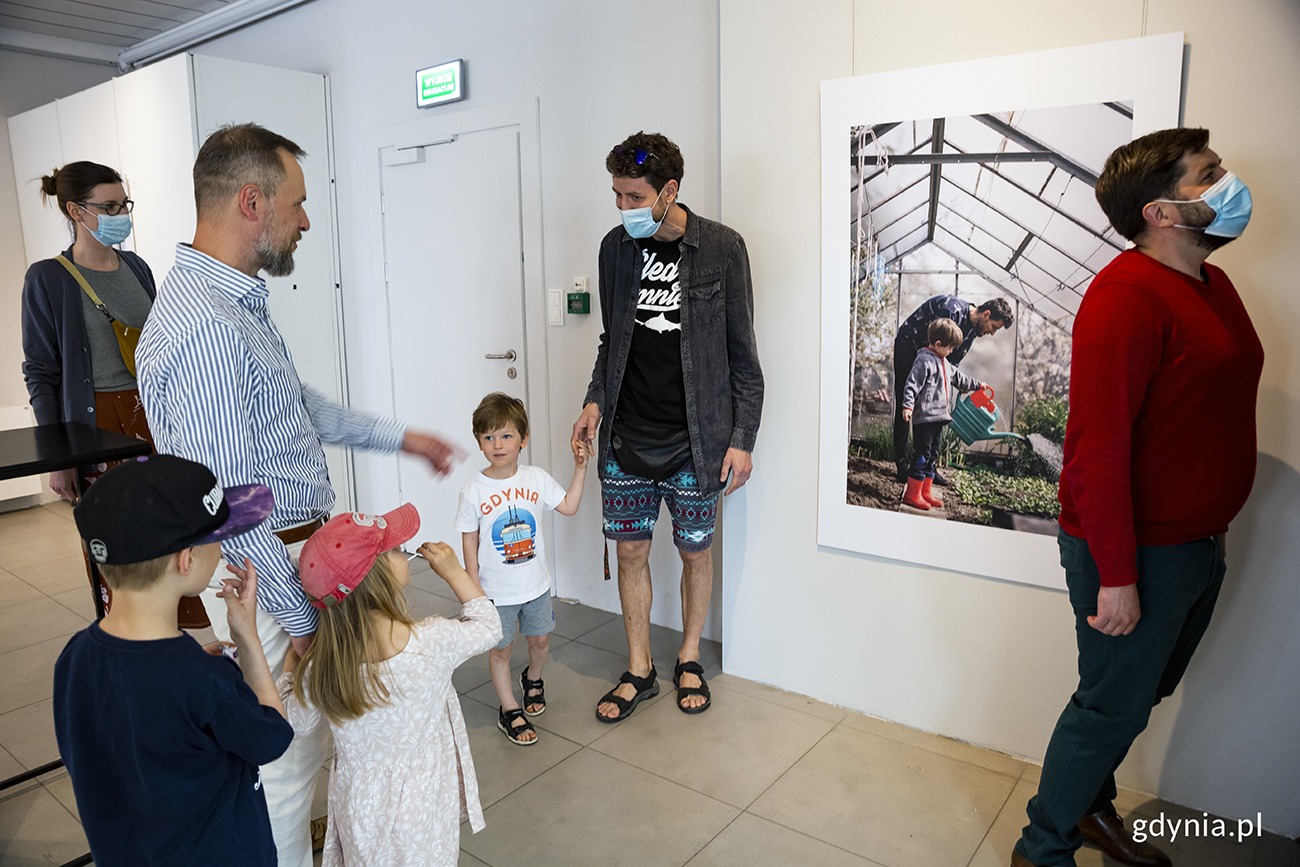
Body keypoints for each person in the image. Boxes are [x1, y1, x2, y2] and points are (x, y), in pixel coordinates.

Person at [135, 123, 462, 867]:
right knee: (284, 774)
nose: (306, 221)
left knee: (298, 763)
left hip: (287, 565)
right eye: (298, 203)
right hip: (272, 576)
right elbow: (234, 503)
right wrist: (301, 624)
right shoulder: (206, 329)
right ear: (252, 201)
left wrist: (400, 437)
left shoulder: (231, 306)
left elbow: (293, 408)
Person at [1010, 128, 1263, 867]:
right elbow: (1099, 450)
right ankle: (1042, 847)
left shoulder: (1213, 285)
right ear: (1160, 209)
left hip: (1194, 541)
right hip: (1135, 550)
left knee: (1139, 691)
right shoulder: (1125, 297)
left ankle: (1088, 807)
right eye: (1208, 175)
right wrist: (1117, 575)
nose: (1228, 183)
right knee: (1109, 703)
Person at [571, 131, 763, 721]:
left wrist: (742, 440)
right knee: (630, 552)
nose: (624, 208)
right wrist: (593, 401)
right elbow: (613, 341)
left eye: (634, 196)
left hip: (697, 441)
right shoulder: (614, 250)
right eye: (617, 196)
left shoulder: (723, 249)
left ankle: (687, 658)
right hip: (627, 436)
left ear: (669, 190)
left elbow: (743, 357)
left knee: (695, 554)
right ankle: (639, 668)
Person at [54, 454, 291, 866]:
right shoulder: (207, 682)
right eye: (219, 535)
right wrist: (248, 640)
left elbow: (136, 710)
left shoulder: (74, 657)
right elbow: (272, 737)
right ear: (186, 560)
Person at [18, 162, 209, 625]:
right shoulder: (48, 278)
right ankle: (129, 633)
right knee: (118, 536)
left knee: (172, 524)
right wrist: (60, 455)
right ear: (75, 211)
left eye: (123, 204)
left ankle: (176, 629)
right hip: (95, 424)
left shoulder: (137, 267)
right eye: (108, 206)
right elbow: (40, 371)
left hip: (155, 415)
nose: (120, 213)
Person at [277, 506, 502, 867]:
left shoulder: (323, 665)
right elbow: (490, 627)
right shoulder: (431, 640)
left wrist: (292, 663)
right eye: (395, 550)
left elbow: (295, 724)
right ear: (377, 577)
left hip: (359, 808)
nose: (404, 549)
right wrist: (454, 571)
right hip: (425, 805)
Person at [455, 392, 586, 744]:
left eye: (506, 435)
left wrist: (580, 468)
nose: (497, 444)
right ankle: (509, 707)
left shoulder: (536, 478)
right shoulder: (473, 490)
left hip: (535, 586)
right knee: (500, 649)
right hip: (495, 592)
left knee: (540, 641)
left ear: (523, 439)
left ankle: (533, 677)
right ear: (479, 442)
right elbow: (469, 540)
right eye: (488, 437)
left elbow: (570, 506)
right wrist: (473, 588)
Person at [892, 295, 1012, 482]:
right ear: (986, 315)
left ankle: (927, 468)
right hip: (909, 348)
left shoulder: (971, 332)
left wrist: (957, 382)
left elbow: (950, 365)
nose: (992, 332)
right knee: (906, 402)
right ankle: (902, 466)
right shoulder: (951, 311)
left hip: (929, 359)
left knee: (933, 413)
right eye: (994, 327)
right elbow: (932, 349)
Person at [899, 318, 986, 511]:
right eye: (950, 347)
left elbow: (959, 379)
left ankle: (925, 492)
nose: (952, 351)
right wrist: (908, 406)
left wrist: (977, 385)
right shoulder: (924, 361)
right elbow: (911, 385)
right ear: (938, 344)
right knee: (922, 455)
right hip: (925, 418)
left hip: (939, 418)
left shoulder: (945, 363)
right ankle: (912, 494)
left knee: (932, 456)